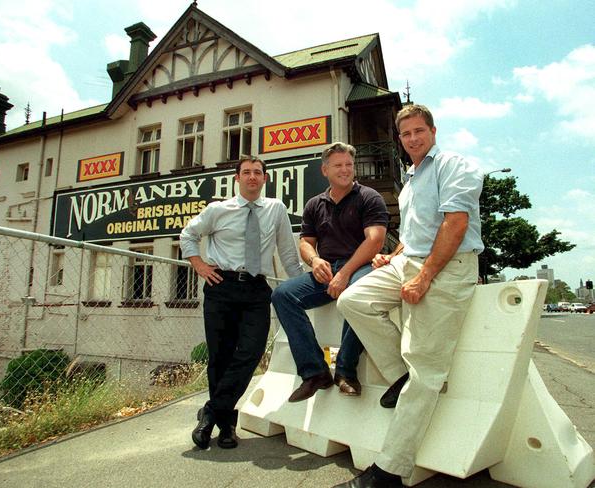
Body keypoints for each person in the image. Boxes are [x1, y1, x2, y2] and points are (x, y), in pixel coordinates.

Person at [334, 104, 484, 487]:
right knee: (352, 300)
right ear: (400, 140)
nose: (413, 139)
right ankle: (399, 376)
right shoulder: (412, 176)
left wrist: (425, 276)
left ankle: (389, 471)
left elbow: (455, 223)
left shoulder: (453, 165)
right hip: (412, 259)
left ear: (433, 131)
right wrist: (394, 254)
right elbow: (420, 230)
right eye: (406, 134)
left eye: (419, 131)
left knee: (426, 369)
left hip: (448, 267)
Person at [180, 156, 302, 450]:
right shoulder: (218, 210)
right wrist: (199, 265)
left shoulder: (275, 209)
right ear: (237, 178)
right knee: (220, 357)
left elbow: (287, 252)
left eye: (257, 173)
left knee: (251, 350)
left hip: (256, 290)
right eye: (246, 172)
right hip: (220, 286)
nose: (252, 177)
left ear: (264, 179)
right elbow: (188, 234)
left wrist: (302, 285)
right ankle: (226, 428)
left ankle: (210, 411)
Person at [271, 142, 389, 402]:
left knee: (357, 294)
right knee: (282, 295)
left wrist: (345, 274)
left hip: (361, 267)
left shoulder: (369, 197)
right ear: (325, 170)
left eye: (349, 164)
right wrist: (314, 261)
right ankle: (315, 373)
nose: (345, 170)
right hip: (325, 270)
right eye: (338, 165)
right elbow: (305, 243)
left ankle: (345, 371)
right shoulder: (315, 204)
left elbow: (375, 240)